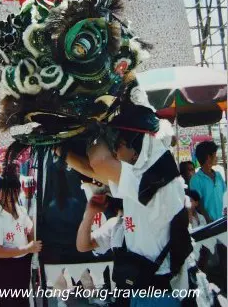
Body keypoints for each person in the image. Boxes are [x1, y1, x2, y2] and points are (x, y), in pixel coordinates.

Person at [56, 93, 193, 306]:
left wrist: (94, 123)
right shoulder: (144, 179)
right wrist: (59, 147)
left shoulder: (159, 180)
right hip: (140, 289)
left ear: (136, 146)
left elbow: (100, 162)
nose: (115, 153)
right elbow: (91, 169)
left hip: (158, 294)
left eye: (118, 145)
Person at [0, 160, 42, 307]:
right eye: (7, 192)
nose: (12, 196)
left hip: (23, 266)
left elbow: (30, 230)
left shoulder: (21, 210)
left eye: (15, 191)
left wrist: (32, 250)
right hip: (7, 270)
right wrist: (28, 249)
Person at [189, 141, 226, 222]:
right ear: (209, 157)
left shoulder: (218, 175)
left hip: (223, 221)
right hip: (209, 225)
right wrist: (208, 221)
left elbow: (225, 195)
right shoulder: (195, 180)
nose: (217, 157)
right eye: (215, 154)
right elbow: (198, 204)